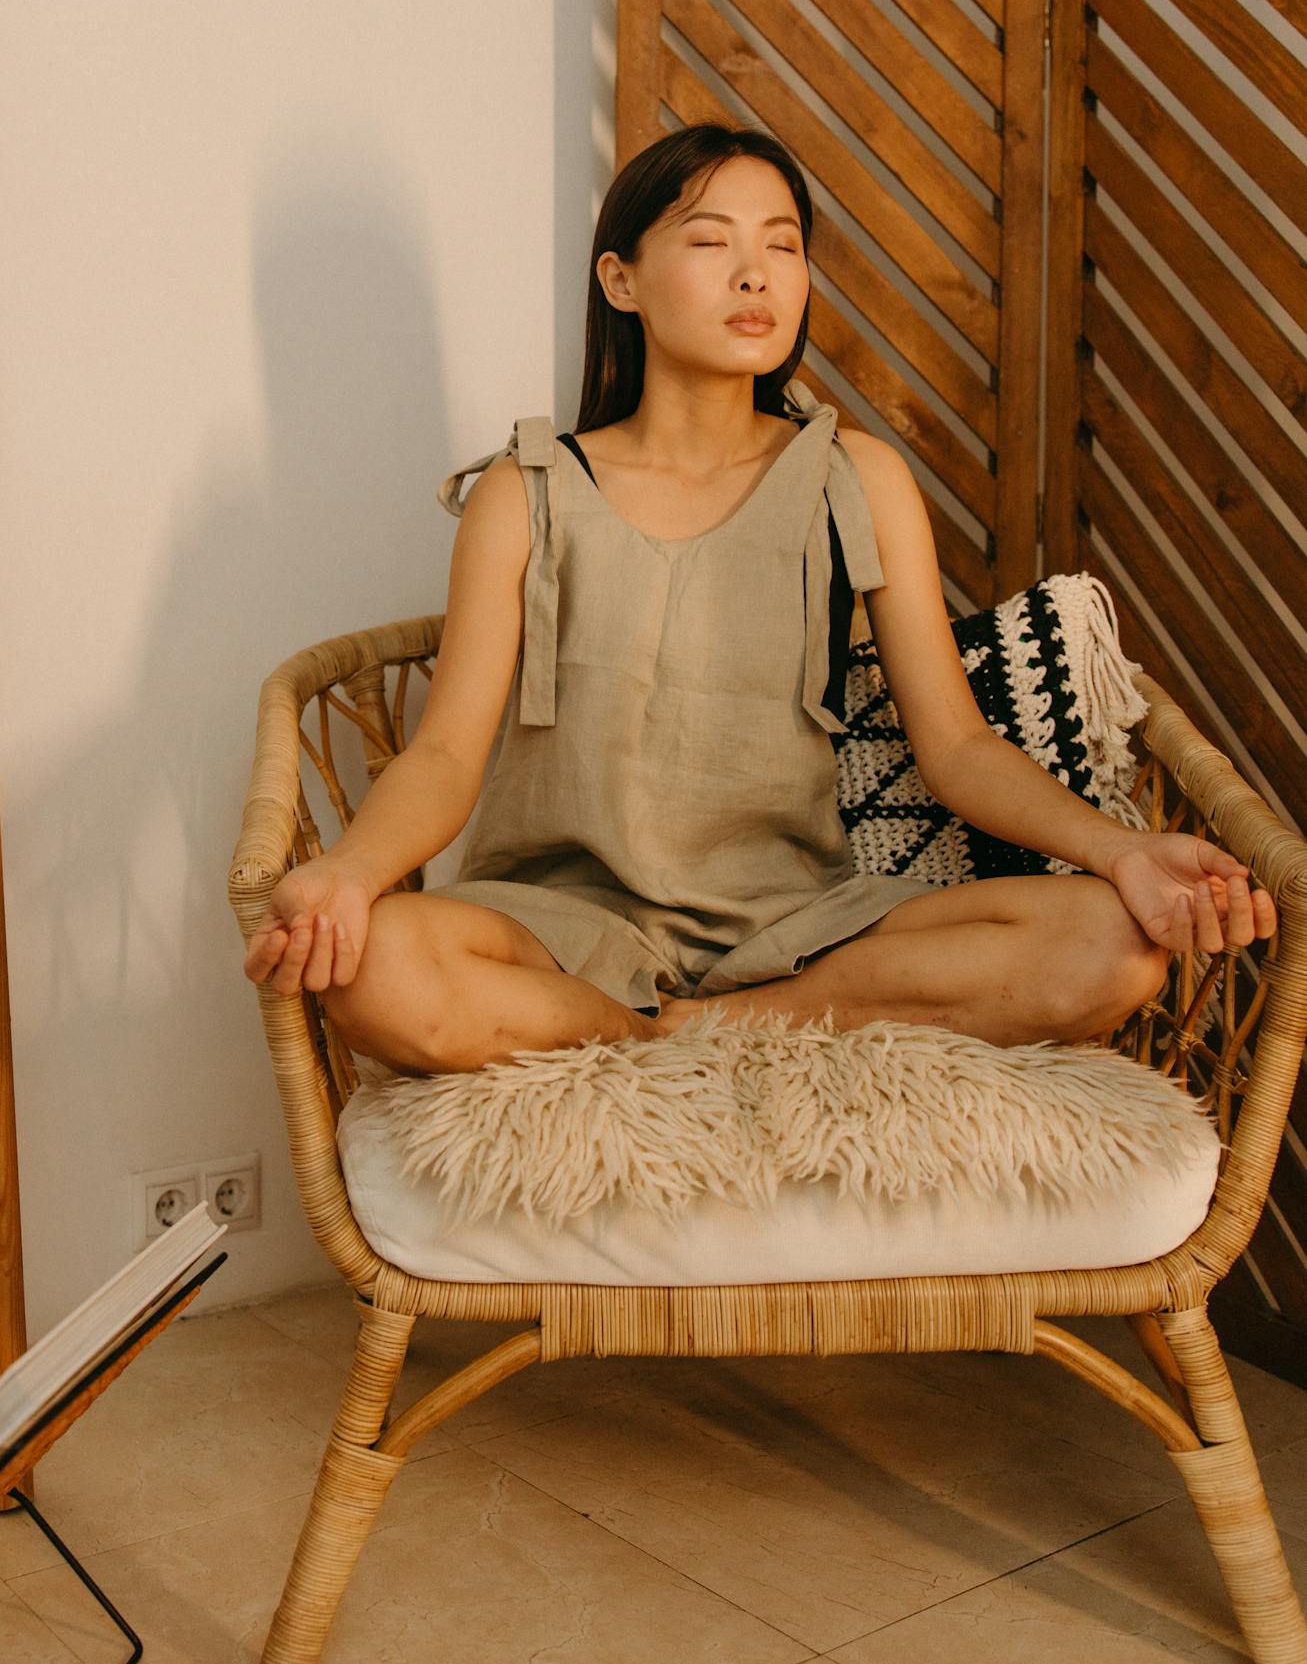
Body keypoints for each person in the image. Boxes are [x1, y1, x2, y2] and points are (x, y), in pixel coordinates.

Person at [244, 125, 1274, 1075]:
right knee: (369, 967)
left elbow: (956, 747)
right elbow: (443, 755)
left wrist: (1124, 849)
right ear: (622, 278)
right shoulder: (527, 491)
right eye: (710, 241)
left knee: (1112, 947)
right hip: (555, 927)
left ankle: (692, 1032)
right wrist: (348, 873)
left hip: (798, 930)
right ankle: (626, 1022)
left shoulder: (853, 477)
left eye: (783, 245)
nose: (755, 273)